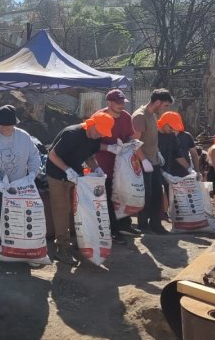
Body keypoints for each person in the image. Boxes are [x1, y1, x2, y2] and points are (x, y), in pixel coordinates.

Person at [45, 112, 116, 266]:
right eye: (99, 131)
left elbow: (89, 156)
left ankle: (77, 241)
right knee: (61, 209)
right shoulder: (73, 134)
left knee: (77, 209)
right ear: (92, 124)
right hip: (57, 174)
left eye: (102, 133)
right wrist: (67, 171)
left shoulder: (93, 137)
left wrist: (97, 169)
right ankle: (61, 248)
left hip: (75, 175)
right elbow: (53, 155)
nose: (99, 135)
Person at [0, 105, 43, 268]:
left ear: (15, 124)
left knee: (21, 216)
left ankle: (24, 250)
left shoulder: (24, 137)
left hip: (20, 184)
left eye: (9, 126)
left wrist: (32, 174)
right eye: (2, 126)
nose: (6, 129)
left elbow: (35, 157)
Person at [93, 89, 140, 243]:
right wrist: (109, 148)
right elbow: (90, 144)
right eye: (118, 103)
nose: (121, 105)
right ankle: (113, 231)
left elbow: (128, 135)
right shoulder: (99, 117)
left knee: (123, 193)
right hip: (103, 165)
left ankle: (125, 224)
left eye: (123, 102)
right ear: (109, 103)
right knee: (107, 199)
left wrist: (130, 144)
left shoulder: (126, 117)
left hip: (121, 164)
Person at [131, 88, 174, 234]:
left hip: (154, 160)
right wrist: (144, 161)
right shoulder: (140, 116)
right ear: (157, 102)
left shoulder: (153, 115)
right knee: (146, 194)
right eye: (165, 105)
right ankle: (143, 225)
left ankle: (156, 224)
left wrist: (158, 153)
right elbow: (134, 142)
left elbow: (151, 139)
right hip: (142, 162)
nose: (165, 109)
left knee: (157, 193)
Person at [157, 111, 196, 178]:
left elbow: (178, 155)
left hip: (169, 173)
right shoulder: (153, 135)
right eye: (171, 127)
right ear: (164, 123)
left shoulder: (172, 135)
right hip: (155, 173)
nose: (172, 130)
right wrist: (163, 173)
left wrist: (189, 169)